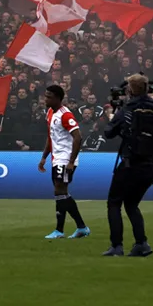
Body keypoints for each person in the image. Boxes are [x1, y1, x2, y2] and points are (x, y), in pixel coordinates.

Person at [102, 74, 153, 257]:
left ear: (130, 90)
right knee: (131, 204)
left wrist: (114, 118)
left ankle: (117, 246)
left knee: (114, 202)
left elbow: (108, 133)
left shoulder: (127, 110)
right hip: (150, 167)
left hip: (130, 164)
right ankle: (141, 244)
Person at [38, 85, 89, 240]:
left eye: (49, 97)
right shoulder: (49, 113)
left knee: (60, 190)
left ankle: (61, 230)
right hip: (56, 158)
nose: (45, 99)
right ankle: (81, 227)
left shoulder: (65, 115)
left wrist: (71, 161)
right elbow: (51, 137)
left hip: (65, 158)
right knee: (61, 192)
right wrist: (44, 157)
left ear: (58, 98)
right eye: (45, 96)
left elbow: (78, 137)